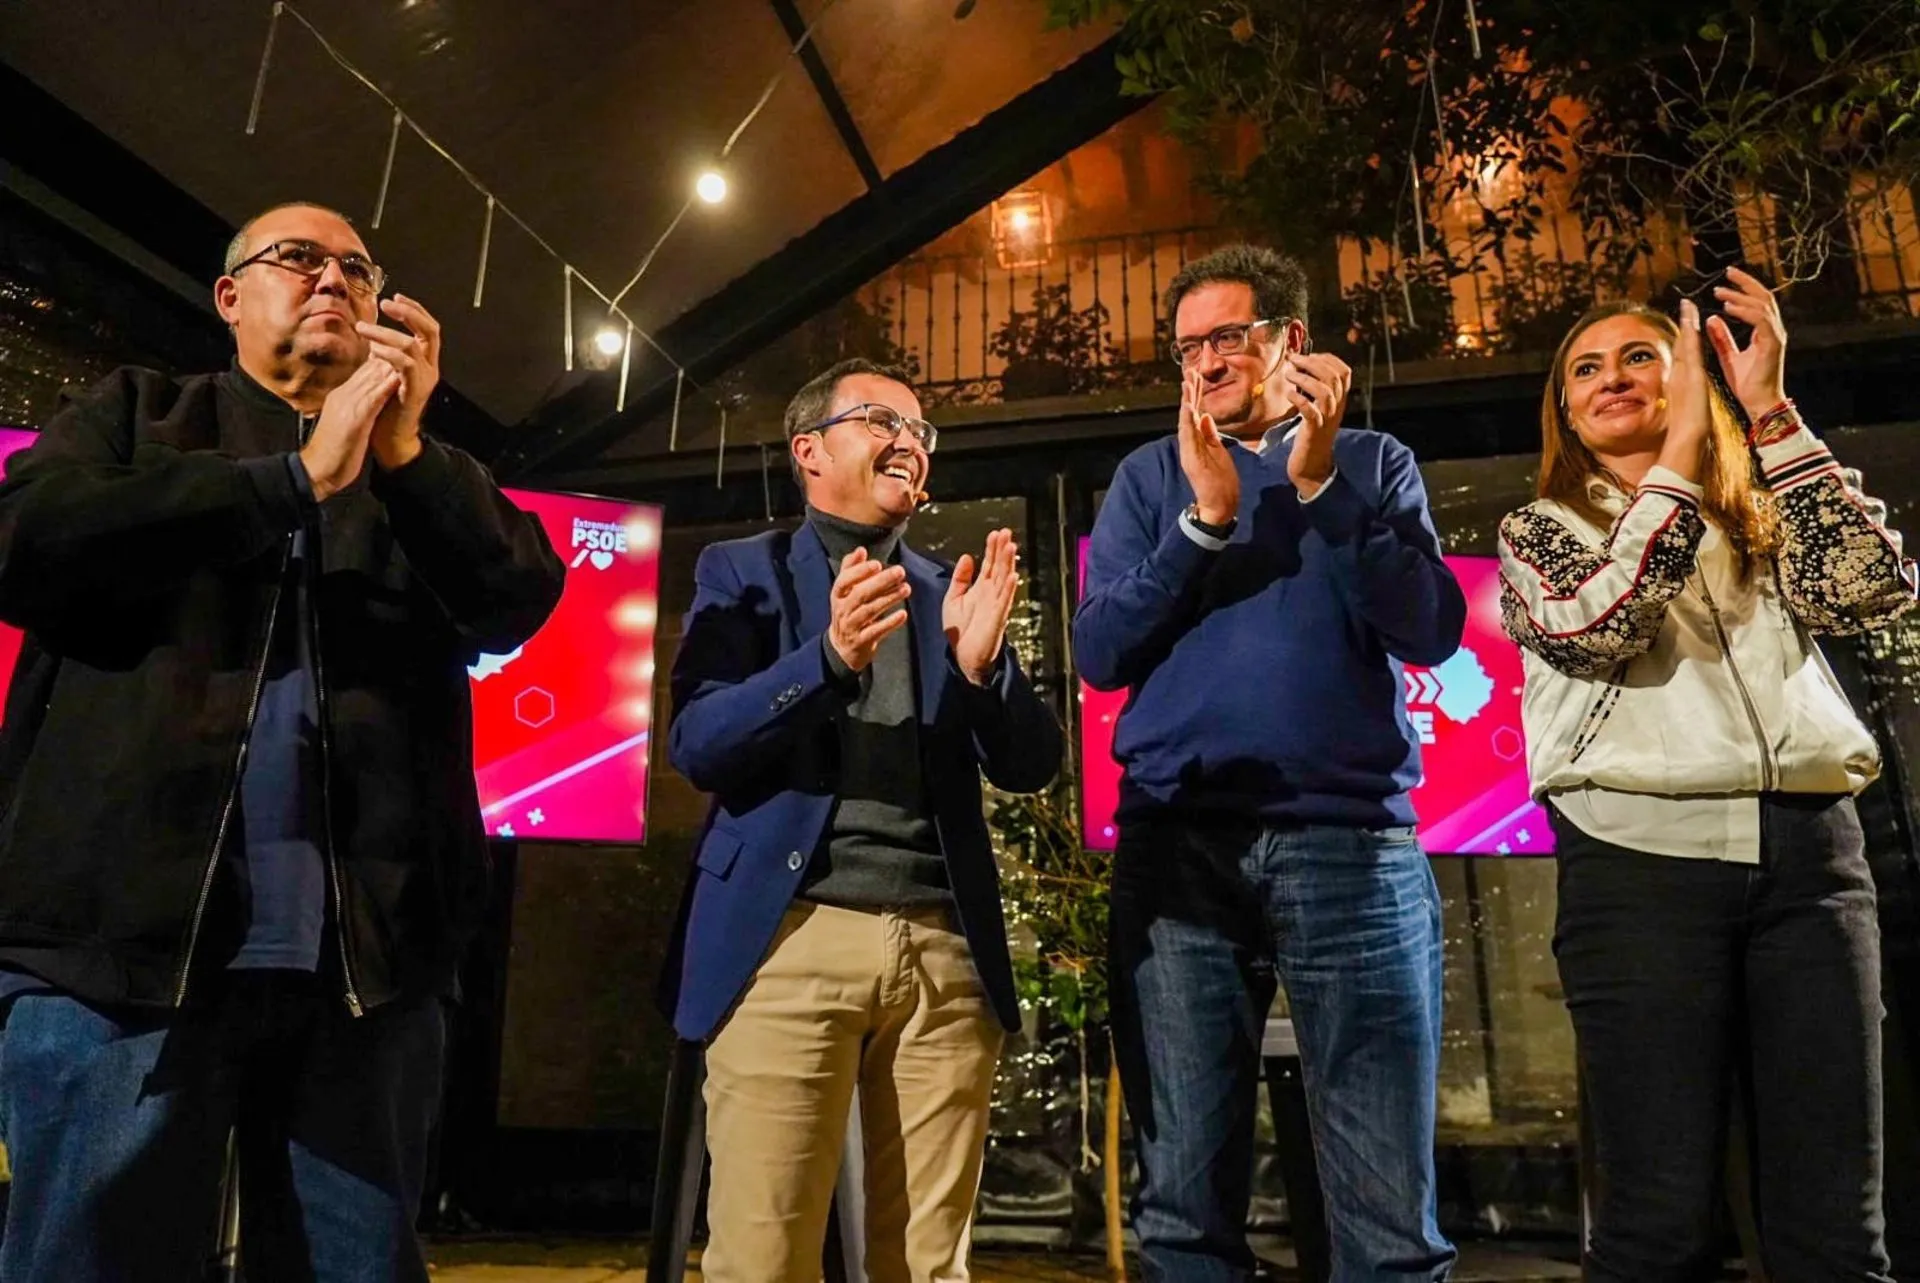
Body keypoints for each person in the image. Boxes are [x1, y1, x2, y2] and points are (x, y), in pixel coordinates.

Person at [0, 201, 565, 1281]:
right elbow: (23, 541)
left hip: (370, 976)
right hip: (119, 957)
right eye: (298, 258)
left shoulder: (427, 479)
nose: (333, 280)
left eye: (359, 269)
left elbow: (516, 599)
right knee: (94, 1258)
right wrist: (292, 481)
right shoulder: (138, 416)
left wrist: (402, 453)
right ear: (229, 298)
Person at [1498, 271, 1910, 1281]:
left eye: (1642, 354)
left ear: (1692, 375)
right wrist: (1678, 462)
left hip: (1816, 863)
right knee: (1658, 1224)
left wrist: (1767, 410)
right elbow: (1598, 624)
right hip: (1642, 871)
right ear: (1563, 410)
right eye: (1585, 368)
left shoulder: (1762, 509)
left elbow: (1872, 590)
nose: (1614, 377)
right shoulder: (1540, 531)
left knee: (1838, 1230)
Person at [1074, 243, 1464, 1282]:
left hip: (1353, 848)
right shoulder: (1151, 477)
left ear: (1291, 341)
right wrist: (1202, 523)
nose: (1202, 363)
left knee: (1389, 1212)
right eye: (1186, 346)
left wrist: (1320, 484)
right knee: (1185, 1208)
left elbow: (1430, 629)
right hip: (1179, 845)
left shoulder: (1373, 462)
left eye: (1226, 338)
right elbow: (1098, 649)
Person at [662, 357, 1062, 1282]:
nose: (908, 441)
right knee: (762, 1258)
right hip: (787, 941)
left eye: (923, 431)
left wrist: (982, 668)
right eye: (882, 418)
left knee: (927, 1266)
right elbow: (702, 743)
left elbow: (1032, 764)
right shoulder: (744, 571)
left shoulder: (948, 590)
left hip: (943, 954)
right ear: (810, 449)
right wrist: (829, 659)